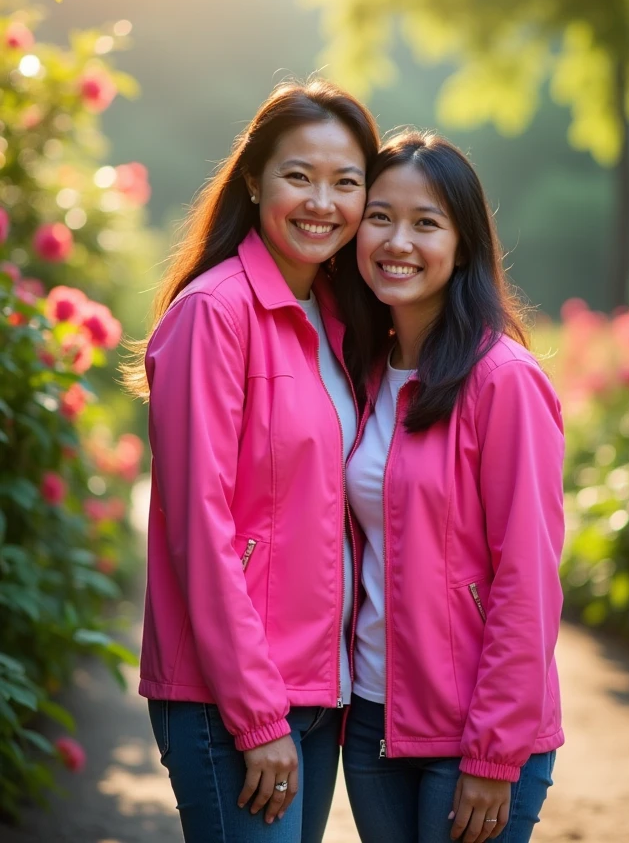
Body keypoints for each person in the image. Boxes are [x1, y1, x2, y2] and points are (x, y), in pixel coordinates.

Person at [123, 79, 379, 843]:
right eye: (299, 176)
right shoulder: (213, 313)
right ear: (253, 180)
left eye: (346, 182)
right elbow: (197, 527)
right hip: (227, 696)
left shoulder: (338, 320)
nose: (321, 202)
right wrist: (255, 712)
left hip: (316, 689)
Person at [341, 130, 565, 843]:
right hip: (372, 720)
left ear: (463, 246)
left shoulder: (503, 381)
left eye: (425, 223)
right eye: (380, 216)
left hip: (474, 732)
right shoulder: (367, 374)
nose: (397, 240)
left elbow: (527, 580)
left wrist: (495, 754)